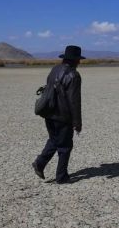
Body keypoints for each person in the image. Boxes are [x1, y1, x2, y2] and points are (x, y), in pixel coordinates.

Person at [32, 45, 84, 184]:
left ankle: (40, 163)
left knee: (54, 139)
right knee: (65, 146)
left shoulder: (55, 69)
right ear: (73, 60)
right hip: (63, 116)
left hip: (49, 112)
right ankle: (62, 176)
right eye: (78, 60)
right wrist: (77, 122)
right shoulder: (73, 75)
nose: (79, 62)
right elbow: (74, 101)